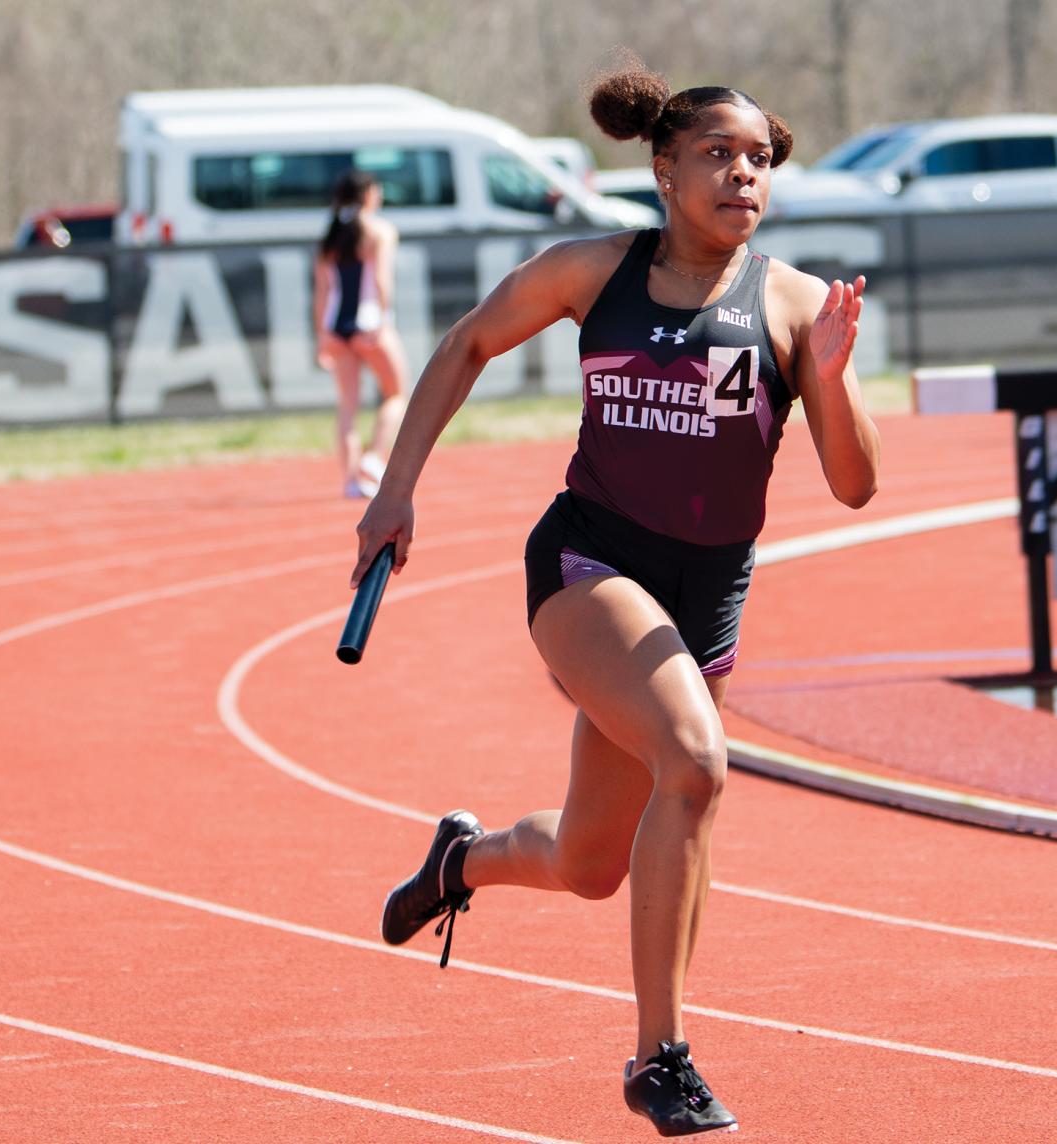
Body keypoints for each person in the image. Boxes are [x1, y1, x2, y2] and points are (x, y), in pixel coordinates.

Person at [354, 61, 880, 1138]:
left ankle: (461, 860)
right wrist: (395, 490)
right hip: (589, 566)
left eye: (759, 160)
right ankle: (660, 1057)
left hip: (708, 593)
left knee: (590, 863)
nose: (744, 175)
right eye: (717, 156)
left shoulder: (788, 301)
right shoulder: (593, 271)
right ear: (663, 171)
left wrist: (826, 374)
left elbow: (855, 482)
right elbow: (466, 346)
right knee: (694, 763)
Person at [315, 169, 409, 498]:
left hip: (335, 329)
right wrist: (383, 320)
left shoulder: (330, 236)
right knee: (396, 394)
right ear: (369, 194)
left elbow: (323, 293)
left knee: (348, 406)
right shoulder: (379, 231)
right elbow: (381, 280)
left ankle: (351, 481)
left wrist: (322, 337)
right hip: (369, 324)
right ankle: (373, 456)